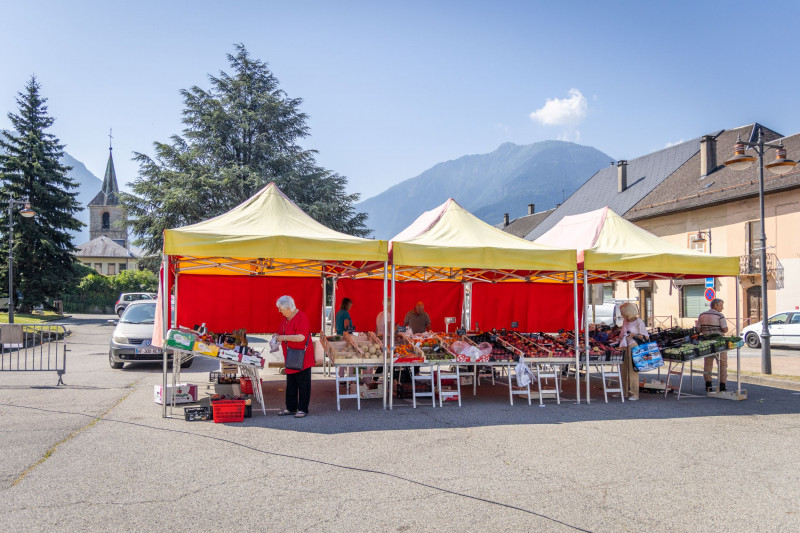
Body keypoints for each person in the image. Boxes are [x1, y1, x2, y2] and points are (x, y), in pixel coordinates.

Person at [275, 295, 314, 418]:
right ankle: (290, 408)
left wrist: (284, 338)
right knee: (291, 383)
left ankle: (303, 409)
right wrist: (276, 336)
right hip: (290, 356)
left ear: (288, 308)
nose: (279, 311)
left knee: (303, 384)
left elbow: (301, 337)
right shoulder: (286, 318)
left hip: (302, 356)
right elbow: (281, 332)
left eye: (281, 309)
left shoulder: (301, 317)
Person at [697, 298, 729, 392]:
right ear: (715, 305)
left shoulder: (702, 315)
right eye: (721, 305)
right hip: (719, 343)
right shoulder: (720, 316)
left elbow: (698, 329)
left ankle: (708, 384)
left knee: (708, 363)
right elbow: (725, 329)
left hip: (706, 342)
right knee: (722, 363)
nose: (723, 307)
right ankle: (722, 385)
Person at [619, 302, 648, 401]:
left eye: (622, 312)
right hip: (624, 346)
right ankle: (624, 391)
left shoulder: (639, 322)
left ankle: (634, 393)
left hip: (634, 346)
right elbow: (622, 332)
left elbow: (645, 336)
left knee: (633, 371)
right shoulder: (625, 321)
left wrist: (633, 335)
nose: (621, 314)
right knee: (623, 370)